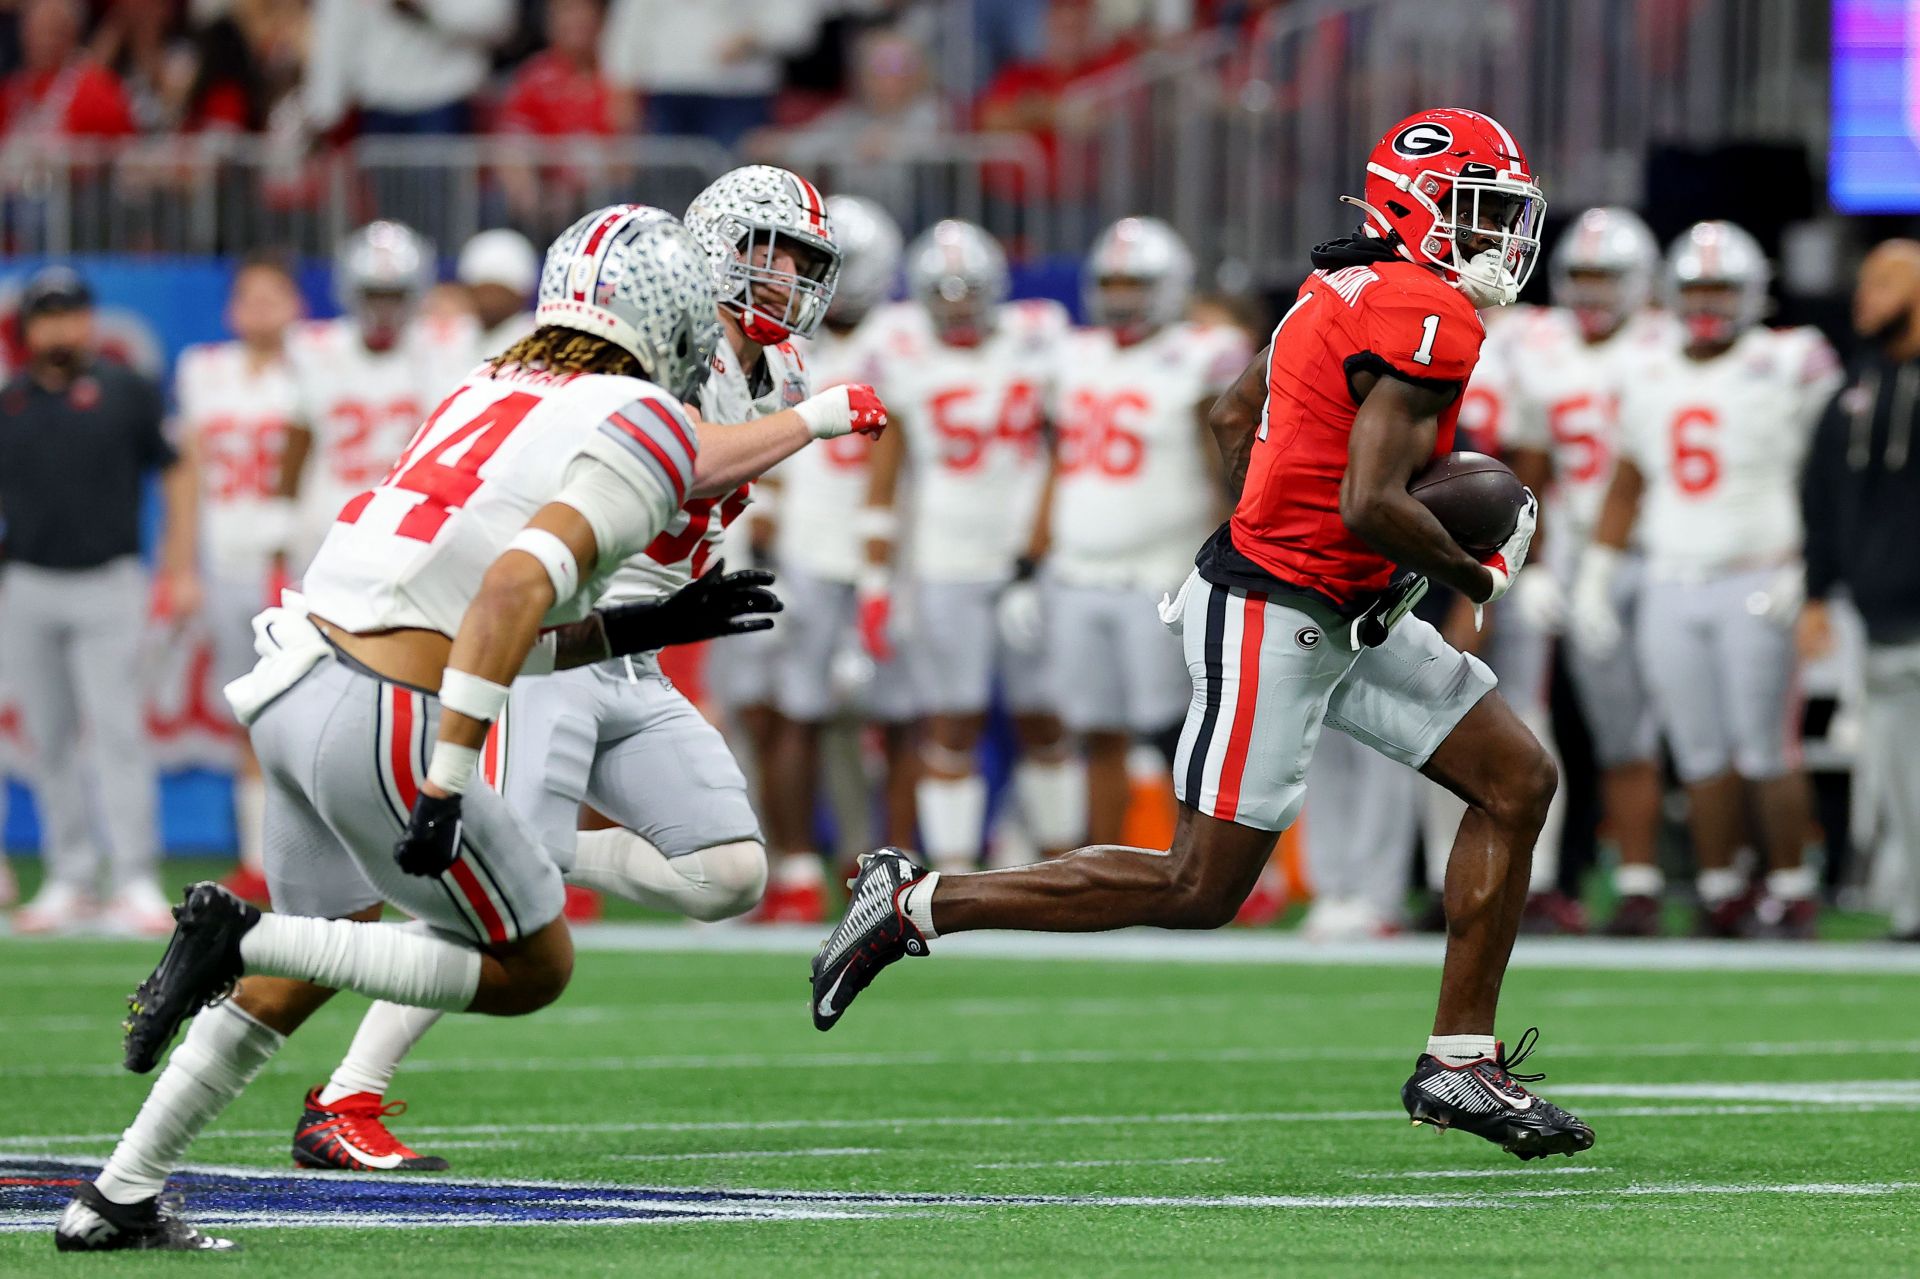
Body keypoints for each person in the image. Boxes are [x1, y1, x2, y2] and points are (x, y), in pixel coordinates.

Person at [815, 109, 1596, 1163]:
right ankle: (915, 903)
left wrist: (1298, 526)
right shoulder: (1423, 313)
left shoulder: (1340, 285)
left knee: (1516, 778)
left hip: (1336, 600)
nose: (1499, 237)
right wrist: (1474, 570)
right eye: (1479, 211)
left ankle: (1460, 1058)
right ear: (1415, 206)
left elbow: (1237, 421)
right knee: (1201, 885)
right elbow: (1371, 501)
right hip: (1279, 612)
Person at [53, 204, 791, 1251]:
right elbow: (506, 595)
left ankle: (119, 1191)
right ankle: (240, 931)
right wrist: (447, 781)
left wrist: (640, 623)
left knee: (309, 969)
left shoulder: (487, 383)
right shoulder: (648, 415)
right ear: (665, 307)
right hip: (380, 706)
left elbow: (481, 608)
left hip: (296, 672)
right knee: (532, 965)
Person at [287, 169, 889, 1171]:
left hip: (638, 649)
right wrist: (815, 422)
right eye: (774, 250)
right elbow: (684, 460)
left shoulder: (779, 372)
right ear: (717, 245)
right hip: (564, 640)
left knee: (727, 873)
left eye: (806, 262)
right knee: (495, 908)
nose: (790, 277)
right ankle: (346, 1096)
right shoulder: (664, 346)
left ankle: (528, 845)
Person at [1573, 221, 1842, 939]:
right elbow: (1627, 480)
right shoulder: (1647, 368)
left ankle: (1790, 886)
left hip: (1761, 571)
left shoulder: (1790, 358)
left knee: (1764, 746)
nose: (1708, 301)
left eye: (1722, 287)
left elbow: (1830, 478)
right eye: (1696, 287)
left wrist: (1812, 568)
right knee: (1697, 749)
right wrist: (1597, 572)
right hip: (1670, 573)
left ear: (1753, 293)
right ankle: (1722, 885)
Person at [859, 219, 1082, 872]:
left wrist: (1034, 552)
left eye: (968, 292)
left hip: (1024, 560)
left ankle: (1061, 865)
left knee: (1046, 718)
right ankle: (953, 870)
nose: (956, 307)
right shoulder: (900, 349)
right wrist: (876, 580)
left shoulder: (1038, 338)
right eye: (943, 294)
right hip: (944, 559)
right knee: (951, 723)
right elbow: (885, 471)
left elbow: (1063, 448)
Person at [0, 266, 200, 937]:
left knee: (119, 733)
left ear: (89, 321)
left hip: (110, 581)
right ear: (28, 328)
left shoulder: (128, 392)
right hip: (27, 582)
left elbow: (176, 474)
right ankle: (70, 875)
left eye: (72, 312)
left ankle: (136, 875)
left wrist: (177, 566)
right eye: (47, 314)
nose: (61, 326)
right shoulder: (10, 402)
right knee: (48, 740)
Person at [1043, 216, 1249, 845]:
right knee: (1095, 731)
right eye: (1111, 280)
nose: (1122, 295)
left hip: (1164, 570)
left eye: (1137, 281)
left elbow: (1230, 466)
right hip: (1076, 569)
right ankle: (1100, 861)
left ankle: (1207, 861)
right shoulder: (1071, 353)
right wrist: (1035, 558)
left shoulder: (1205, 352)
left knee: (1176, 728)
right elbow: (1058, 459)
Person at [1514, 207, 1677, 936]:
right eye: (1580, 272)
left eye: (1607, 274)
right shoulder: (1540, 345)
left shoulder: (1670, 345)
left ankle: (1720, 877)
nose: (1591, 289)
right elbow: (1533, 466)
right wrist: (1542, 560)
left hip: (1671, 547)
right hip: (1581, 549)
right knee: (1608, 728)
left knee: (1692, 725)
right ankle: (1623, 881)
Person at [760, 193, 919, 922]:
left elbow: (897, 440)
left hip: (884, 554)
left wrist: (879, 563)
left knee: (898, 716)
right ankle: (796, 866)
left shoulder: (903, 334)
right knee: (796, 712)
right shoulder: (786, 341)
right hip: (807, 549)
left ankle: (895, 870)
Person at [173, 253, 305, 906]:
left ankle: (329, 859)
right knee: (250, 718)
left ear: (296, 304)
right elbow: (188, 470)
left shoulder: (320, 363)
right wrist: (178, 565)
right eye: (248, 296)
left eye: (273, 294)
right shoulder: (205, 370)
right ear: (230, 309)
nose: (260, 308)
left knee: (317, 715)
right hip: (230, 559)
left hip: (308, 564)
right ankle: (258, 859)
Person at [1800, 238, 1920, 942]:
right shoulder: (1853, 388)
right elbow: (1820, 499)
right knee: (1896, 775)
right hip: (1878, 617)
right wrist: (1817, 593)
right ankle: (1910, 907)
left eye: (1882, 283)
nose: (1862, 298)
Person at [278, 221, 479, 574]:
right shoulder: (317, 349)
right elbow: (297, 444)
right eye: (374, 295)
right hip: (328, 524)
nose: (384, 309)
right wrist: (282, 524)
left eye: (395, 296)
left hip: (409, 526)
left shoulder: (444, 347)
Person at [302, 0, 512, 136]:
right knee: (387, 204)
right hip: (377, 104)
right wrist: (324, 110)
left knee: (444, 204)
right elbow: (335, 33)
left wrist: (423, 7)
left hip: (447, 98)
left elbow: (496, 22)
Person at [0, 0, 137, 141]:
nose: (45, 41)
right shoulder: (9, 91)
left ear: (73, 34)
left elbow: (120, 147)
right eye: (38, 31)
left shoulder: (98, 90)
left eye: (54, 32)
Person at [457, 229, 540, 358]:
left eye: (497, 292)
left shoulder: (537, 339)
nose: (488, 301)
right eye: (481, 290)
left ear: (522, 294)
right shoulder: (459, 334)